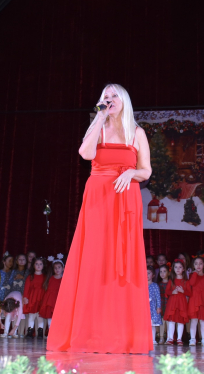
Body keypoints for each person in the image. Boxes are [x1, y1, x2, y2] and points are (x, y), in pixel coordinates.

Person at [47, 84, 152, 354]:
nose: (110, 99)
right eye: (106, 96)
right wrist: (99, 117)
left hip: (125, 197)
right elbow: (86, 154)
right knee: (95, 260)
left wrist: (130, 173)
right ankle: (89, 334)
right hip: (98, 196)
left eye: (115, 96)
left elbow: (146, 171)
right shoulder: (99, 127)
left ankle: (123, 336)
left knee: (122, 262)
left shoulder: (137, 132)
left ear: (124, 100)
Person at [164, 259, 192, 345]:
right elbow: (167, 291)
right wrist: (172, 292)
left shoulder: (186, 281)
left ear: (183, 269)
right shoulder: (171, 280)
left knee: (180, 321)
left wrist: (183, 291)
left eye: (180, 267)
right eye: (176, 267)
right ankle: (170, 338)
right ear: (173, 269)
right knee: (171, 321)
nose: (178, 269)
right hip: (172, 303)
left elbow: (190, 293)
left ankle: (179, 339)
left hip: (181, 303)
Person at [188, 256, 204, 346]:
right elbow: (191, 283)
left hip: (203, 301)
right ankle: (192, 339)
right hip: (194, 301)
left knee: (203, 321)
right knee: (194, 321)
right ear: (193, 265)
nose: (198, 266)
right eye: (196, 264)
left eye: (200, 263)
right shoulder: (192, 275)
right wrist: (195, 273)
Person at [23, 257, 47, 338]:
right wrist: (25, 297)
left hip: (41, 298)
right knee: (31, 316)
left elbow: (47, 288)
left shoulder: (45, 277)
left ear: (43, 266)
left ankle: (40, 332)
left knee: (40, 316)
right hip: (32, 298)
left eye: (40, 264)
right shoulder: (30, 277)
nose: (38, 266)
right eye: (36, 264)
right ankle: (29, 332)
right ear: (33, 265)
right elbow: (26, 288)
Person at [40, 257, 64, 333]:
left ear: (63, 268)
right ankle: (51, 332)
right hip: (51, 301)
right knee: (50, 316)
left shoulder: (64, 279)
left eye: (59, 267)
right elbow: (48, 290)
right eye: (55, 268)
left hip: (60, 300)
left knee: (60, 316)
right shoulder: (51, 279)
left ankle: (59, 332)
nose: (57, 269)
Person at [147, 266, 163, 346]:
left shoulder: (155, 285)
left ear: (153, 275)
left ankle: (153, 339)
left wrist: (158, 307)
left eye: (149, 273)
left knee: (152, 325)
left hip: (152, 308)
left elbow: (158, 297)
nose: (146, 275)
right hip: (144, 308)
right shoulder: (142, 285)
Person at [157, 264, 170, 343]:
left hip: (169, 304)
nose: (162, 273)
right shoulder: (158, 284)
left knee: (169, 321)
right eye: (161, 271)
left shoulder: (171, 283)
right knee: (162, 321)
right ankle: (161, 337)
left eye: (164, 271)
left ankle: (169, 337)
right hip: (162, 304)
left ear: (168, 273)